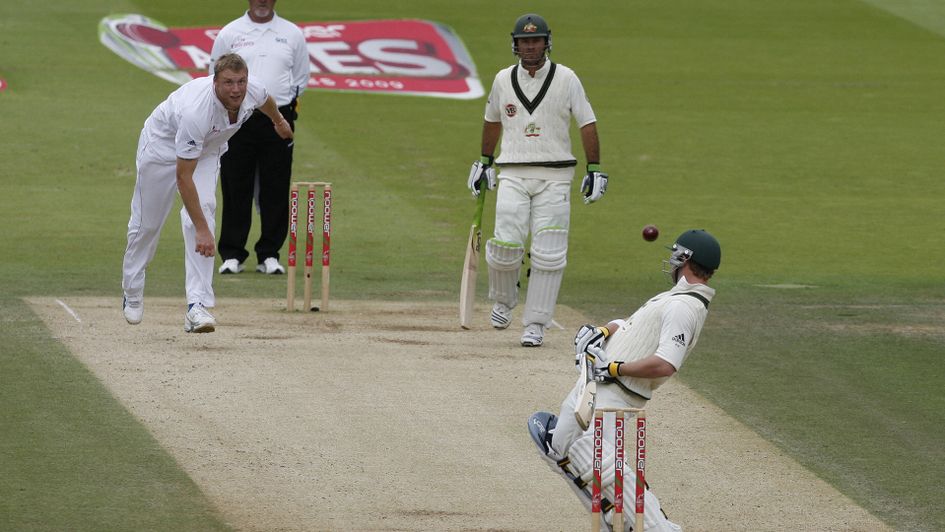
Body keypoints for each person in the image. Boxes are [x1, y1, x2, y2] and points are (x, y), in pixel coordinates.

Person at [527, 229, 722, 531]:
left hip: (618, 393)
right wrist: (603, 331)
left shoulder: (684, 307)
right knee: (560, 451)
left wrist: (616, 368)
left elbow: (665, 364)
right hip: (599, 385)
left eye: (676, 254)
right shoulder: (676, 297)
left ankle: (659, 529)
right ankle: (611, 520)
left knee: (597, 459)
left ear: (686, 258)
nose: (671, 260)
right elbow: (631, 326)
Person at [121, 53, 294, 332]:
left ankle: (197, 306)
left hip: (207, 151)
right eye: (228, 83)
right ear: (215, 82)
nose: (236, 89)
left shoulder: (252, 90)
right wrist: (202, 229)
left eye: (241, 82)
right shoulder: (196, 111)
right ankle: (132, 287)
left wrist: (278, 121)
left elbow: (265, 101)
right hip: (161, 149)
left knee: (206, 209)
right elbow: (183, 177)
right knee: (147, 225)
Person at [467, 13, 608, 347]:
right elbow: (492, 121)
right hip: (513, 172)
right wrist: (485, 161)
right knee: (504, 245)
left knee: (549, 253)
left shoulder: (567, 78)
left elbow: (587, 122)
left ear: (547, 42)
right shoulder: (503, 79)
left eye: (536, 40)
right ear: (515, 45)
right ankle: (503, 301)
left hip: (556, 176)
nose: (530, 46)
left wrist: (595, 168)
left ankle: (536, 324)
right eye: (524, 41)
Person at [211, 0, 309, 276]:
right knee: (234, 184)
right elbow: (215, 76)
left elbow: (301, 77)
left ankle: (269, 254)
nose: (262, 2)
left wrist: (286, 111)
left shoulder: (292, 33)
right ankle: (232, 254)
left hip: (278, 117)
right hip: (236, 115)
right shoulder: (230, 32)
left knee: (275, 186)